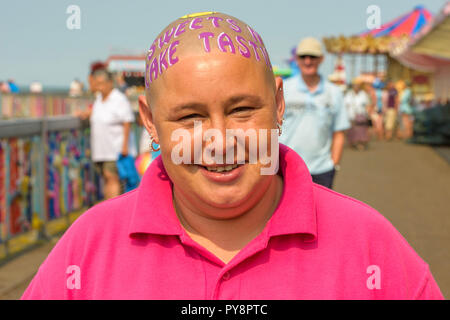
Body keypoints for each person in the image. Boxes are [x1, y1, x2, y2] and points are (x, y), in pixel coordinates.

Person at [22, 12, 443, 300]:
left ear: (279, 106)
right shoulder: (90, 247)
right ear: (149, 122)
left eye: (242, 110)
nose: (220, 140)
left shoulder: (368, 244)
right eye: (190, 116)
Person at [279, 37, 350, 189]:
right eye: (303, 56)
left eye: (313, 56)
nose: (308, 61)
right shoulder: (284, 89)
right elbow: (271, 127)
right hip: (288, 167)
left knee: (319, 213)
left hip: (322, 169)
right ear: (296, 59)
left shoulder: (334, 92)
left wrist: (334, 164)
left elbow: (339, 132)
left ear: (321, 59)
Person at [77, 68, 137, 199]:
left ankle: (113, 208)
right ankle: (110, 207)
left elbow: (127, 121)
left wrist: (125, 147)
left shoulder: (119, 99)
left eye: (101, 83)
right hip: (101, 150)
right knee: (107, 178)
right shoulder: (99, 99)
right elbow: (98, 113)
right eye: (97, 84)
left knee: (112, 178)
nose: (99, 87)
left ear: (110, 83)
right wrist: (85, 114)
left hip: (114, 149)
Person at [344, 78, 370, 150]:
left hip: (361, 115)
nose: (356, 87)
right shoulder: (349, 94)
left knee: (361, 130)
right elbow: (346, 105)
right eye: (355, 86)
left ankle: (361, 143)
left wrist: (368, 114)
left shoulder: (363, 94)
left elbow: (367, 105)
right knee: (352, 130)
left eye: (358, 86)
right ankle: (352, 143)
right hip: (351, 115)